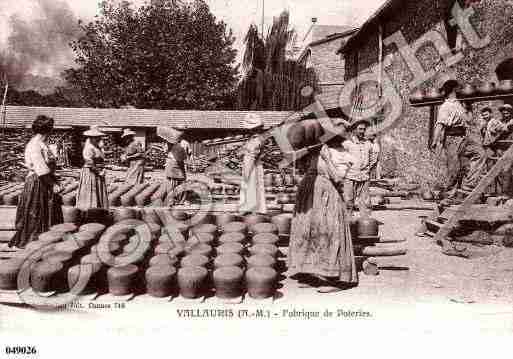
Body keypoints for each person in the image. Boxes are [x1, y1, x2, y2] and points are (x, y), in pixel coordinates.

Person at [288, 118, 358, 292]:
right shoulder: (317, 149)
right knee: (308, 232)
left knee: (328, 233)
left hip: (328, 195)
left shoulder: (344, 153)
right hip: (310, 192)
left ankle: (335, 279)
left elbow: (339, 178)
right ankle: (312, 272)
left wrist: (327, 160)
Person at [9, 116, 63, 249]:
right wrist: (52, 184)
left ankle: (46, 241)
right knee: (37, 213)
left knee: (46, 212)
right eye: (51, 129)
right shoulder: (34, 145)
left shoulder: (42, 144)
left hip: (44, 180)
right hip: (38, 182)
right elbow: (40, 169)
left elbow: (48, 165)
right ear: (47, 130)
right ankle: (34, 243)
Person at [431, 79, 487, 198]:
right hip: (452, 139)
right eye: (459, 88)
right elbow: (440, 124)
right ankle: (449, 194)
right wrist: (435, 141)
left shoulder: (459, 104)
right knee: (454, 168)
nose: (461, 89)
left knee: (480, 154)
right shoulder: (446, 106)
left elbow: (468, 120)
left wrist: (469, 106)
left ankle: (468, 184)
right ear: (454, 90)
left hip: (464, 137)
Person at [342, 119, 377, 216]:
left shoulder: (368, 144)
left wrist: (367, 169)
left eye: (364, 129)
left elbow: (372, 159)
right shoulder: (347, 143)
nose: (362, 131)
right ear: (354, 129)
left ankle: (365, 223)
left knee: (366, 203)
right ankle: (347, 223)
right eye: (360, 129)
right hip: (350, 177)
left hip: (364, 177)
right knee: (348, 201)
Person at [76, 126, 109, 210]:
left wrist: (103, 168)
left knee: (98, 192)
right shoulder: (89, 148)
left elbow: (101, 160)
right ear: (91, 138)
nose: (98, 139)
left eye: (99, 137)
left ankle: (99, 210)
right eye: (96, 137)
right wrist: (99, 171)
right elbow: (89, 162)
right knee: (91, 192)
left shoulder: (97, 147)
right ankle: (90, 211)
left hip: (98, 172)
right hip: (91, 172)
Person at [239, 116, 266, 214]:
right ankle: (252, 208)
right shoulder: (256, 139)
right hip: (254, 163)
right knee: (253, 186)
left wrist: (247, 169)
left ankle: (251, 208)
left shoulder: (256, 140)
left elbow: (252, 155)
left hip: (252, 164)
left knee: (251, 185)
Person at [164, 129, 187, 206]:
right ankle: (178, 200)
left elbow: (165, 151)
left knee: (172, 183)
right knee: (179, 182)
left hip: (172, 164)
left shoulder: (168, 144)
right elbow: (185, 157)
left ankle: (173, 200)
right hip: (176, 164)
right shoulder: (182, 145)